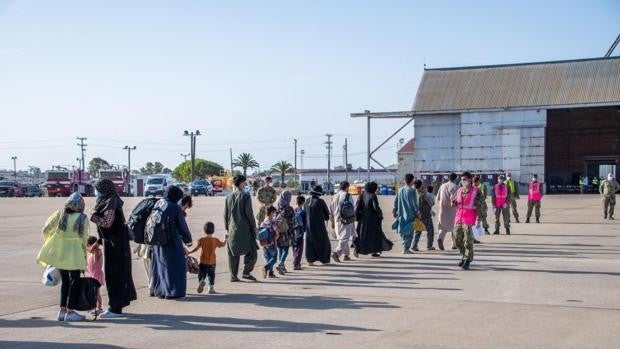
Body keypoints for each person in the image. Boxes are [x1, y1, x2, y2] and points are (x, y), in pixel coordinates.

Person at [37, 193, 90, 322]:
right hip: (75, 253)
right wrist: (84, 255)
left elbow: (46, 228)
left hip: (61, 253)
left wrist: (50, 240)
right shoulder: (82, 218)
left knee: (65, 282)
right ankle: (71, 311)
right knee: (75, 281)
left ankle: (62, 310)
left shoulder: (61, 216)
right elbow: (84, 238)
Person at [90, 179, 136, 319]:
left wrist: (93, 216)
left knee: (115, 275)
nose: (96, 192)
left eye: (97, 189)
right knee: (114, 274)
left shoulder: (111, 202)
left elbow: (107, 222)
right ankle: (116, 306)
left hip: (116, 246)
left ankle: (115, 308)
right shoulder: (109, 200)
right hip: (113, 244)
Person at [149, 186, 193, 299]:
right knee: (175, 266)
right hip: (171, 241)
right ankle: (173, 291)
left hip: (157, 242)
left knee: (160, 267)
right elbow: (182, 226)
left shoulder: (159, 203)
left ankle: (160, 291)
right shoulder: (175, 207)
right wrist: (188, 241)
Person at [224, 175, 259, 282]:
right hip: (245, 230)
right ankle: (247, 272)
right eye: (244, 182)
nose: (245, 184)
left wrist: (227, 228)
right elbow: (249, 213)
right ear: (240, 183)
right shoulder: (245, 195)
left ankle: (233, 276)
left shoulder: (228, 197)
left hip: (232, 229)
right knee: (252, 251)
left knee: (233, 254)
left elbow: (225, 214)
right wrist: (254, 227)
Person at [451, 172, 484, 270]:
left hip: (469, 219)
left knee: (468, 242)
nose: (463, 181)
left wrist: (479, 219)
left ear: (470, 180)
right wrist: (453, 202)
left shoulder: (476, 191)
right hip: (458, 218)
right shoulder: (459, 190)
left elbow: (481, 206)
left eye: (465, 179)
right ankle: (464, 255)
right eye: (462, 179)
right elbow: (456, 204)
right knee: (456, 240)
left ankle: (467, 260)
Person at [187, 222, 227, 294]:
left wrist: (189, 252)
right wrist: (225, 238)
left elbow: (196, 248)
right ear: (213, 230)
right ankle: (211, 288)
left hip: (203, 262)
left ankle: (201, 281)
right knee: (211, 275)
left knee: (201, 273)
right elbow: (223, 244)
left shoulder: (201, 240)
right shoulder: (215, 240)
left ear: (204, 231)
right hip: (212, 262)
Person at [354, 182, 385, 257]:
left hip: (363, 219)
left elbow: (357, 206)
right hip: (372, 219)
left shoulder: (362, 194)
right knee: (373, 235)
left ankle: (357, 249)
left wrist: (357, 216)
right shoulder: (373, 195)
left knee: (361, 235)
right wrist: (380, 214)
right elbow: (375, 207)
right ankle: (373, 251)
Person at [305, 185, 332, 265]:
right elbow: (327, 215)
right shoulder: (320, 202)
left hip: (309, 227)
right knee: (324, 243)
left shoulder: (307, 201)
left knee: (310, 243)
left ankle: (310, 260)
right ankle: (324, 259)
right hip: (320, 227)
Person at [329, 181, 356, 262]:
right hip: (346, 220)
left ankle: (346, 255)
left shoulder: (334, 196)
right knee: (345, 237)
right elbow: (352, 208)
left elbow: (330, 210)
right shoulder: (347, 196)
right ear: (347, 187)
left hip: (336, 220)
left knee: (342, 238)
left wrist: (332, 222)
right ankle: (336, 253)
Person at [393, 174, 418, 254]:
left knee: (403, 230)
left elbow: (396, 201)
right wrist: (418, 213)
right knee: (409, 232)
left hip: (401, 213)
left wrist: (394, 210)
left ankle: (404, 246)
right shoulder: (412, 191)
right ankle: (406, 248)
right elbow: (415, 204)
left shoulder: (400, 190)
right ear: (412, 181)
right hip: (410, 214)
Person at [274, 190, 295, 274]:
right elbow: (293, 221)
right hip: (287, 231)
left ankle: (282, 267)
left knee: (280, 249)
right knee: (286, 250)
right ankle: (281, 264)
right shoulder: (289, 208)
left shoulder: (277, 207)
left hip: (278, 232)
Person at [436, 173, 458, 250]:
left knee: (443, 226)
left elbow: (438, 198)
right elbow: (456, 200)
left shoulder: (442, 186)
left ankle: (440, 239)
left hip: (442, 209)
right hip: (452, 209)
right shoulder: (455, 187)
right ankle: (454, 244)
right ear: (455, 179)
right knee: (455, 227)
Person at [413, 180, 435, 251]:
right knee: (430, 231)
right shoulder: (423, 195)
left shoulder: (413, 194)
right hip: (425, 215)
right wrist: (425, 192)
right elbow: (432, 203)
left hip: (417, 215)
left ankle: (414, 245)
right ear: (420, 186)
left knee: (418, 231)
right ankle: (429, 246)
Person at [86, 236, 105, 315]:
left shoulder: (97, 252)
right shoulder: (93, 252)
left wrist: (94, 250)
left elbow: (96, 260)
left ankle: (99, 308)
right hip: (93, 276)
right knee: (94, 293)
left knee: (96, 293)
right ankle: (95, 307)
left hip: (97, 277)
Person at [260, 206, 279, 278]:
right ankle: (266, 267)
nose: (274, 215)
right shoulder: (272, 222)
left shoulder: (263, 222)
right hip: (271, 243)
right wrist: (275, 240)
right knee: (274, 258)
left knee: (268, 258)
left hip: (265, 244)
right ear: (271, 213)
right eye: (273, 213)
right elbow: (277, 232)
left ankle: (270, 273)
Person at [292, 195, 307, 270]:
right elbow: (305, 224)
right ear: (303, 202)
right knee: (299, 248)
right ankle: (297, 264)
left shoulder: (293, 210)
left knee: (294, 247)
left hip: (292, 231)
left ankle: (295, 261)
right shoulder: (303, 212)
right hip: (300, 232)